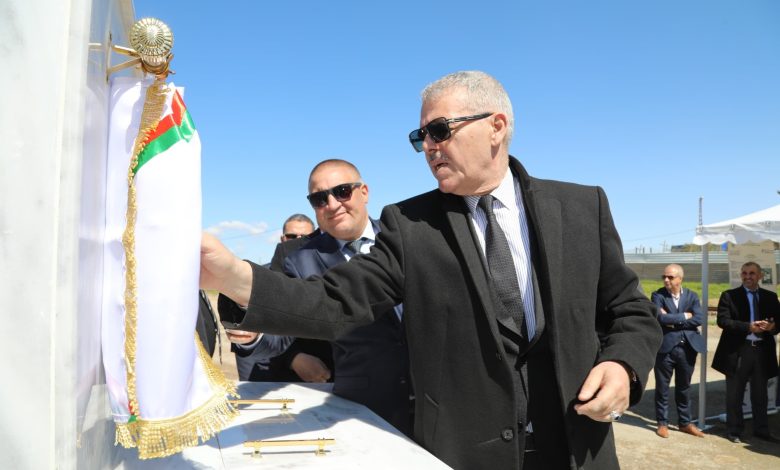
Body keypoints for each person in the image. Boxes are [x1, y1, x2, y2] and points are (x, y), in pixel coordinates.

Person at [201, 70, 661, 469]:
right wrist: (233, 277)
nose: (428, 147)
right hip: (465, 457)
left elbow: (630, 311)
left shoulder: (581, 208)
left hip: (576, 447)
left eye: (440, 130)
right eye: (420, 136)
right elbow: (336, 301)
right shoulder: (411, 225)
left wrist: (623, 365)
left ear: (496, 126)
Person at [223, 159, 412, 435]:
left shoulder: (405, 238)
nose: (332, 204)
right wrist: (254, 333)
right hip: (364, 409)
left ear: (364, 192)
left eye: (342, 191)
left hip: (435, 398)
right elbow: (283, 329)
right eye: (319, 199)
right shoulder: (301, 262)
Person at [228, 213, 316, 381]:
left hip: (317, 377)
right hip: (265, 374)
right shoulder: (257, 278)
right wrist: (292, 358)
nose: (297, 241)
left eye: (305, 237)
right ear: (283, 239)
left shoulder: (325, 276)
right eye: (292, 236)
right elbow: (245, 335)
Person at [712, 261, 779, 444]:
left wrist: (772, 326)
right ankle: (734, 430)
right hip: (738, 352)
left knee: (760, 394)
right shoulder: (729, 296)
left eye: (751, 273)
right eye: (744, 273)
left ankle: (761, 430)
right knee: (735, 394)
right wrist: (748, 327)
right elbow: (723, 321)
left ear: (760, 276)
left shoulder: (770, 297)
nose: (747, 277)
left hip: (762, 352)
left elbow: (778, 322)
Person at [651, 264, 705, 438]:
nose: (666, 280)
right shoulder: (658, 295)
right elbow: (659, 318)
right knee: (662, 388)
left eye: (670, 277)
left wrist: (672, 321)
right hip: (665, 349)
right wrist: (684, 316)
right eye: (664, 277)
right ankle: (662, 423)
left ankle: (685, 423)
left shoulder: (692, 296)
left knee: (684, 388)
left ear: (680, 278)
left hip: (688, 349)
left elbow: (699, 318)